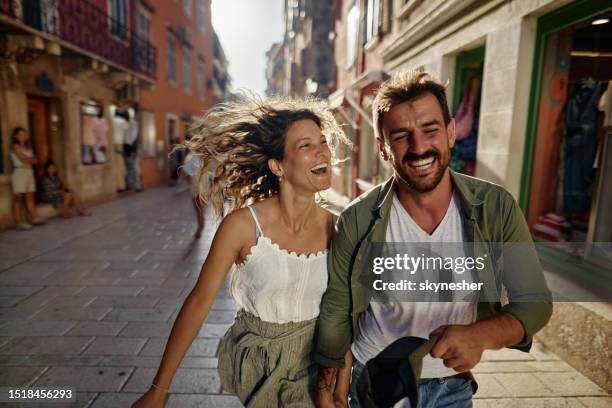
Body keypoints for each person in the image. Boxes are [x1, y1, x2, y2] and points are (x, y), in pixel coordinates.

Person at [314, 71, 553, 407]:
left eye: (430, 130)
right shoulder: (356, 218)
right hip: (375, 382)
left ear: (451, 132)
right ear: (383, 149)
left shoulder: (495, 207)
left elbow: (535, 302)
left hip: (450, 387)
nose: (419, 147)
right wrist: (328, 386)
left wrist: (479, 336)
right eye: (401, 136)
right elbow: (337, 307)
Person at [132, 95, 352, 408]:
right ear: (278, 165)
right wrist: (158, 389)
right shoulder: (242, 226)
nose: (323, 152)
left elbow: (342, 311)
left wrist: (342, 387)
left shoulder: (339, 227)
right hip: (256, 362)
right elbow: (198, 302)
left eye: (323, 141)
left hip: (318, 363)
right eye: (305, 145)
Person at [10, 127, 46, 230]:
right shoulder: (14, 146)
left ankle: (34, 218)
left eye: (25, 134)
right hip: (19, 173)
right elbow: (24, 159)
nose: (23, 136)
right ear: (15, 136)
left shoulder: (28, 147)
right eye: (20, 134)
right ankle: (18, 222)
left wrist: (30, 160)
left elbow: (35, 160)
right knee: (18, 198)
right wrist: (30, 160)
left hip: (29, 172)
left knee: (30, 196)